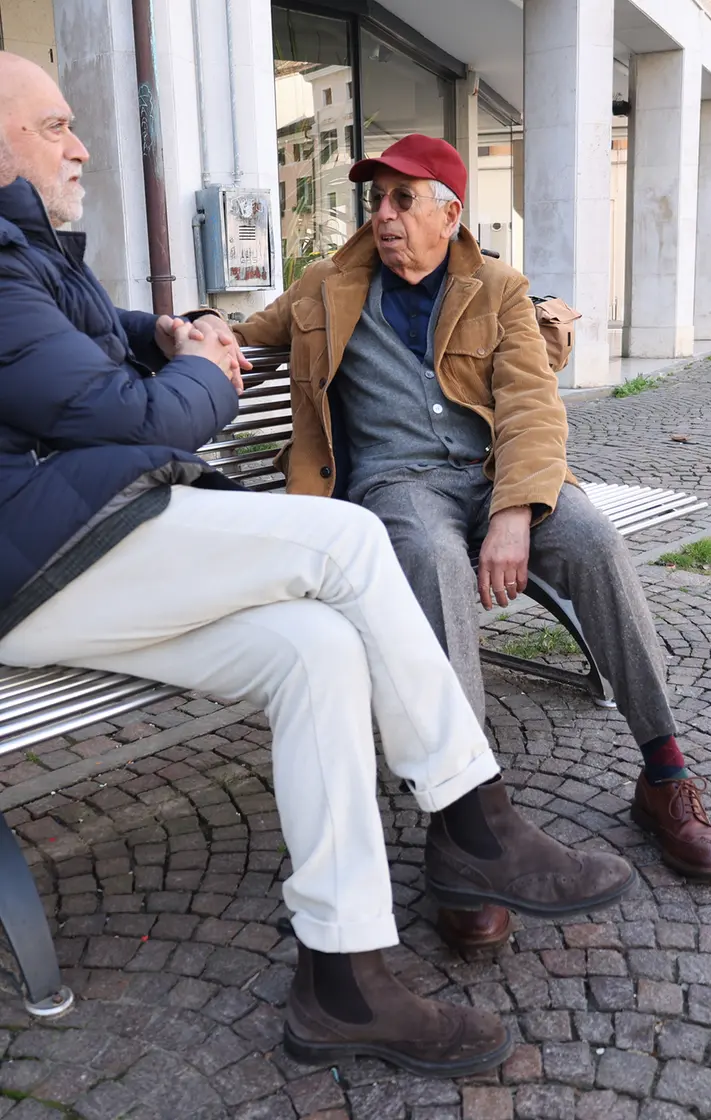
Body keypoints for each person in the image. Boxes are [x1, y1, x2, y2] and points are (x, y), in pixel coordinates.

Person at [0, 54, 637, 1076]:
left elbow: (85, 332)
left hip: (76, 544)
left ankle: (343, 976)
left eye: (75, 124)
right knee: (346, 537)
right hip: (37, 561)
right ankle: (475, 815)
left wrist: (163, 327)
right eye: (54, 125)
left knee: (316, 651)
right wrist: (203, 367)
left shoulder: (29, 253)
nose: (80, 144)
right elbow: (120, 410)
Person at [233, 133, 711, 949]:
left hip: (497, 478)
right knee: (429, 562)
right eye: (378, 199)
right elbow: (247, 336)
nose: (385, 216)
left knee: (596, 538)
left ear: (449, 212)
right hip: (398, 488)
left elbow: (533, 408)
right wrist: (176, 337)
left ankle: (666, 771)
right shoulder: (324, 287)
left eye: (404, 199)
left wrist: (513, 512)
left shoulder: (497, 287)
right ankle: (470, 825)